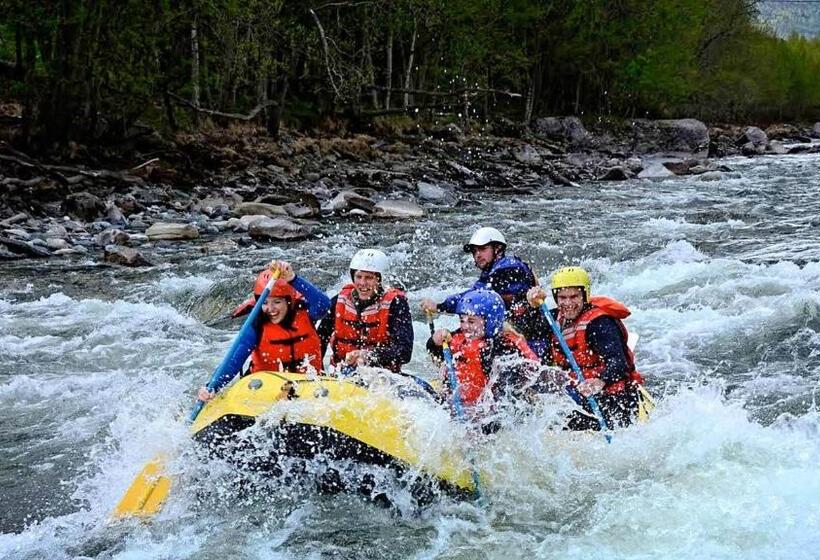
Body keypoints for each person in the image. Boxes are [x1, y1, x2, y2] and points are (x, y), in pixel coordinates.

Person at [526, 266, 646, 430]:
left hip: (614, 396)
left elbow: (619, 363)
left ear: (585, 295)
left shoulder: (600, 324)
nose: (568, 303)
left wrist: (600, 380)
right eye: (562, 297)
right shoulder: (555, 317)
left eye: (574, 296)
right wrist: (532, 306)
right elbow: (527, 328)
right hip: (580, 392)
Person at [197, 261, 330, 402]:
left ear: (289, 302)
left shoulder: (306, 314)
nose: (270, 309)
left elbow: (325, 304)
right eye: (265, 303)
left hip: (309, 386)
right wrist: (212, 387)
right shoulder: (256, 325)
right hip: (265, 389)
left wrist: (293, 278)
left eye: (277, 302)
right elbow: (232, 363)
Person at [420, 226, 550, 359]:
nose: (477, 255)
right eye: (475, 251)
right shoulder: (491, 271)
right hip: (508, 331)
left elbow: (474, 298)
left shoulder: (509, 267)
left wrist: (440, 306)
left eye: (482, 249)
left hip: (533, 339)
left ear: (498, 249)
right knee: (439, 344)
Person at [426, 289, 541, 414]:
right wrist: (435, 341)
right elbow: (435, 353)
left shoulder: (505, 346)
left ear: (490, 322)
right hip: (462, 403)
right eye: (462, 320)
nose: (464, 326)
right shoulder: (460, 337)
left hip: (492, 410)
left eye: (471, 321)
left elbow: (509, 390)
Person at [318, 249, 413, 373]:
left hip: (381, 376)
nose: (362, 283)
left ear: (380, 280)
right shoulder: (339, 301)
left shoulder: (396, 305)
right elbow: (319, 340)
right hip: (341, 373)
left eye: (369, 278)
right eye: (358, 277)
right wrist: (318, 372)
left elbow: (404, 352)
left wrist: (368, 356)